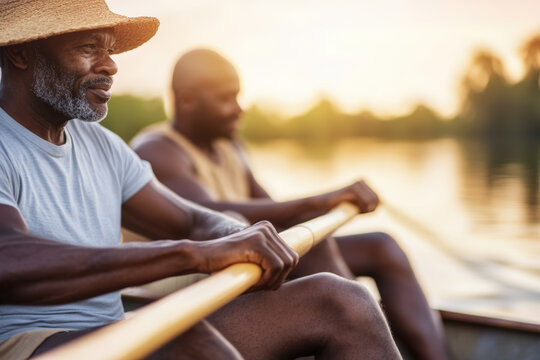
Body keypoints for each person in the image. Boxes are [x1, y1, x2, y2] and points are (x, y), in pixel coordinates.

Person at [0, 1, 402, 359]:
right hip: (30, 346)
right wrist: (196, 254)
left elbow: (192, 221)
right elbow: (10, 259)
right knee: (198, 347)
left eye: (109, 49)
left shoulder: (101, 146)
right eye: (89, 48)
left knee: (341, 301)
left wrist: (238, 237)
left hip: (115, 328)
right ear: (20, 53)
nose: (110, 65)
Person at [131, 48, 452, 360]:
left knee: (381, 247)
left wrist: (324, 205)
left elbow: (270, 208)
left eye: (238, 96)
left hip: (236, 258)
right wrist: (320, 200)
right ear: (186, 100)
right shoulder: (158, 150)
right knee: (312, 249)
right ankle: (359, 322)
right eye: (226, 98)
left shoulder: (231, 147)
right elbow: (204, 214)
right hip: (180, 281)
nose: (239, 109)